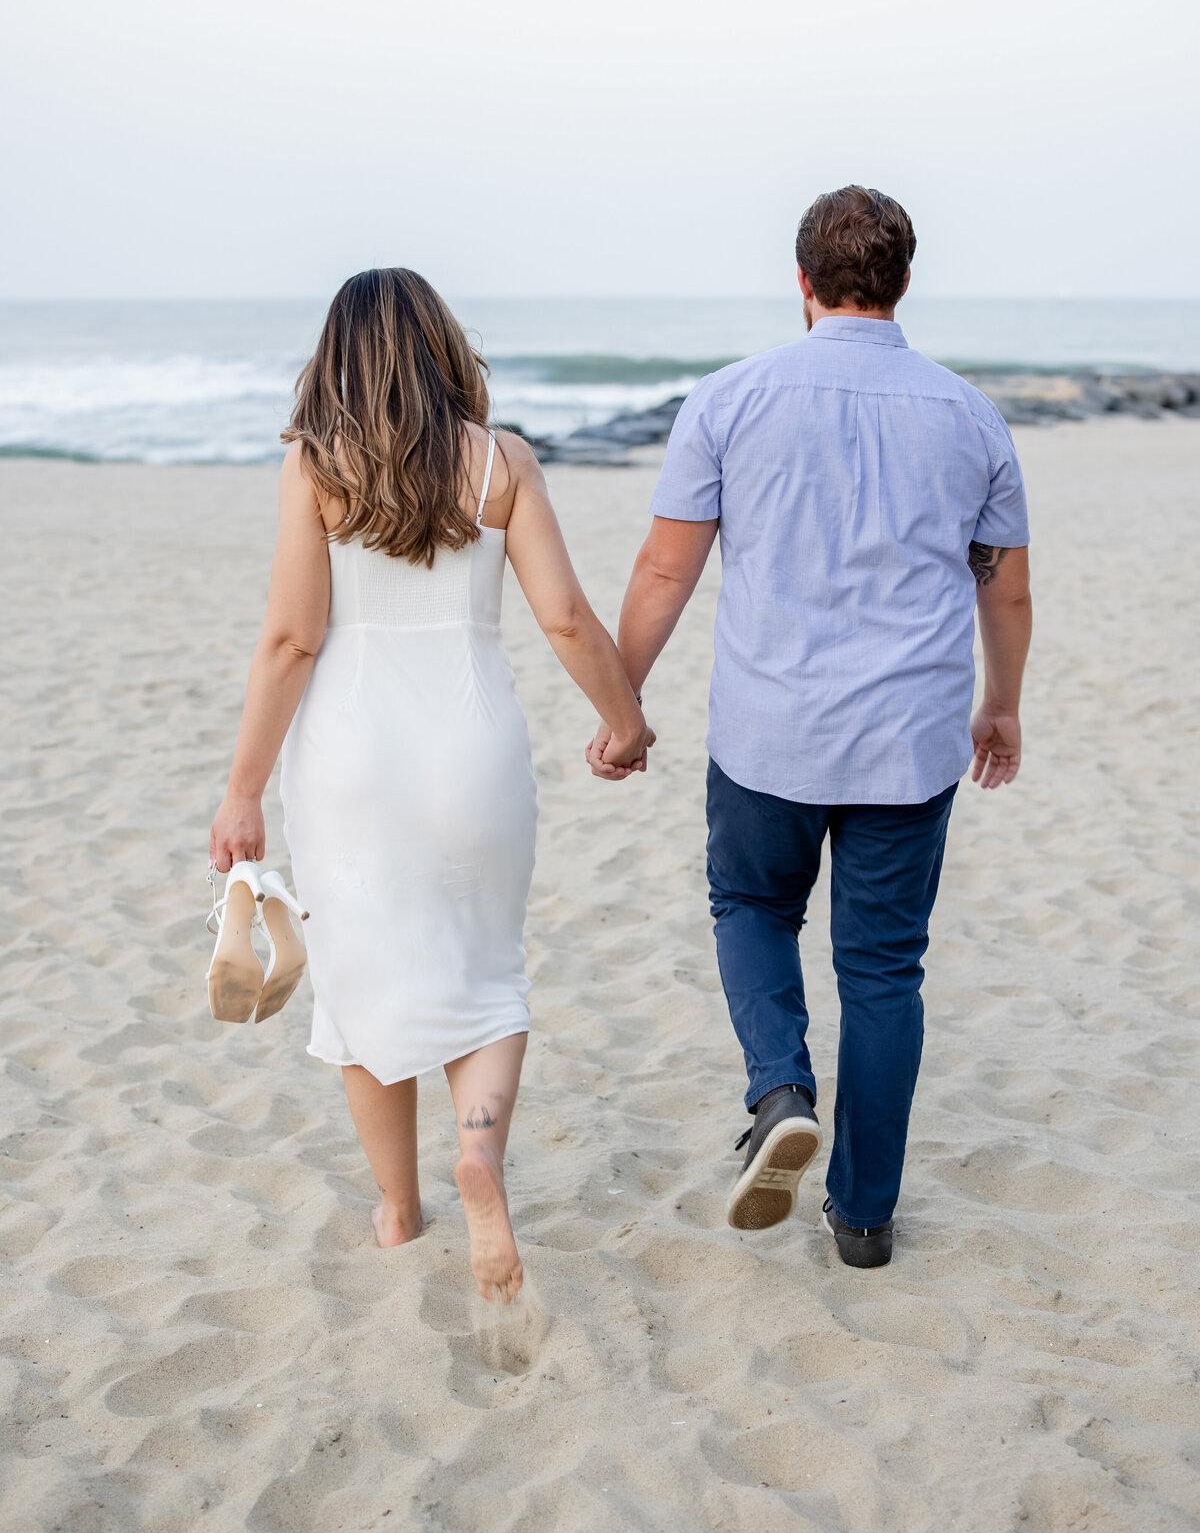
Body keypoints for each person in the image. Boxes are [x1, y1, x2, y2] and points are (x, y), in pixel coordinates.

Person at [588, 186, 1032, 1267]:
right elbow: (1005, 592)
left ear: (802, 284)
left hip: (767, 735)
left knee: (749, 902)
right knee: (884, 971)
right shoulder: (970, 415)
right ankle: (866, 1219)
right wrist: (1002, 703)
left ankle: (780, 1084)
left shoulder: (730, 401)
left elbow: (664, 568)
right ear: (904, 284)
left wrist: (622, 703)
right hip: (909, 740)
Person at [209, 268, 650, 1303]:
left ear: (340, 358)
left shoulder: (316, 468)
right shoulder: (503, 463)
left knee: (365, 982)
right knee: (487, 969)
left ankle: (401, 1214)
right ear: (442, 345)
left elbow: (289, 640)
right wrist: (624, 720)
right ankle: (480, 1157)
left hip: (350, 758)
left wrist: (241, 790)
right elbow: (569, 620)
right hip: (474, 748)